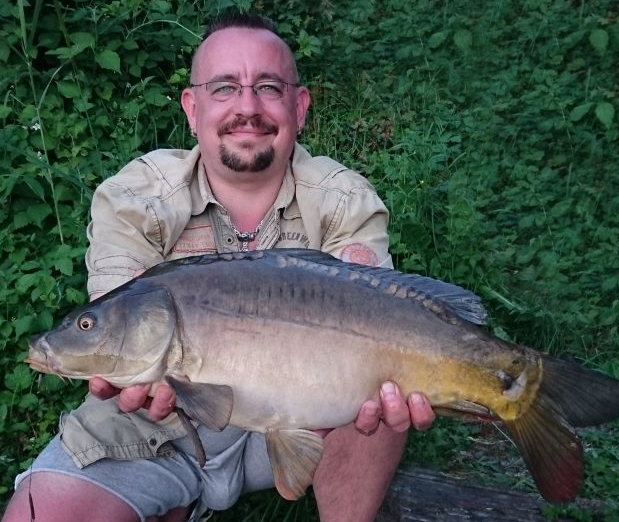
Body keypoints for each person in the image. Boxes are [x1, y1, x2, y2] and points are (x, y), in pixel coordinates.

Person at [2, 11, 435, 522]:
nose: (247, 107)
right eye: (225, 87)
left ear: (299, 107)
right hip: (158, 424)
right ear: (192, 107)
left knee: (379, 384)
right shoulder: (135, 197)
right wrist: (106, 348)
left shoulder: (343, 198)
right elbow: (121, 325)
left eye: (268, 87)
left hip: (313, 412)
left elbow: (384, 314)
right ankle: (171, 495)